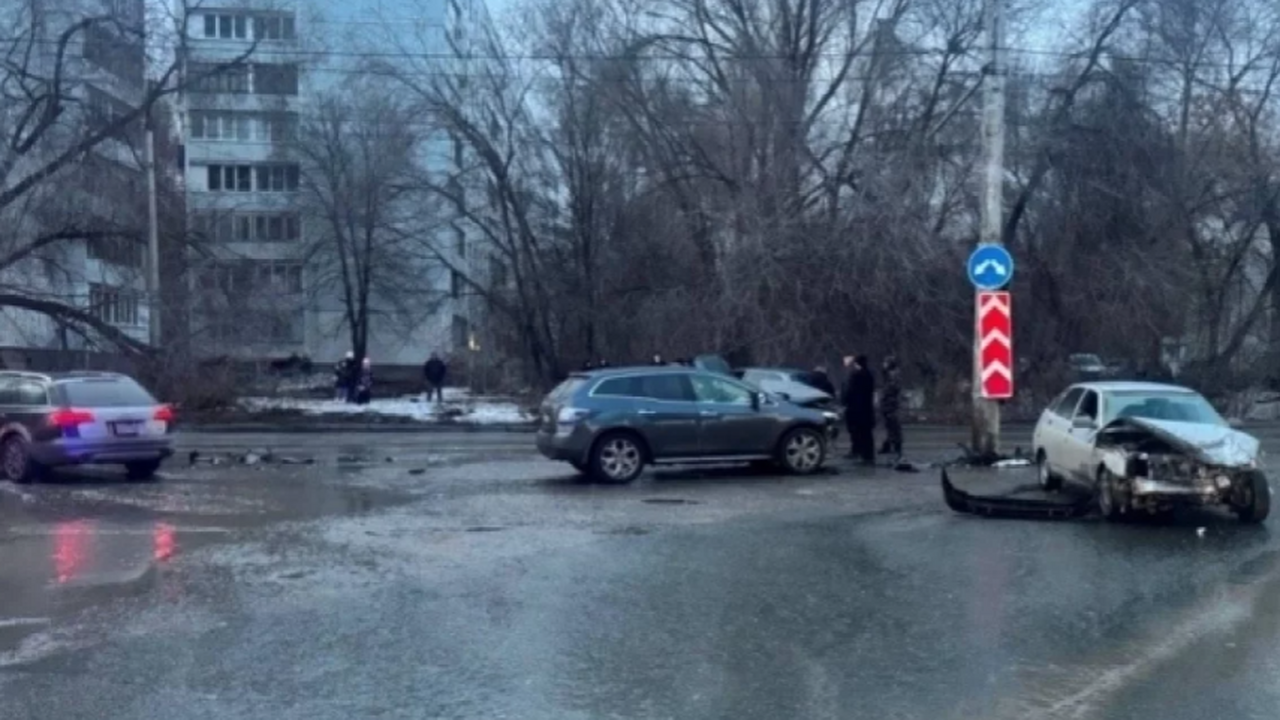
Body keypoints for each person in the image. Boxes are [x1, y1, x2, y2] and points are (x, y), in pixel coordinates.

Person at [841, 354, 876, 465]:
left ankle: (864, 455)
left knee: (859, 432)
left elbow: (850, 392)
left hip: (856, 409)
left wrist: (845, 401)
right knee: (866, 433)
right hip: (866, 408)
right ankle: (867, 455)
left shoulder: (856, 376)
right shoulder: (869, 375)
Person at [878, 355, 903, 458]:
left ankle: (896, 446)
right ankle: (889, 445)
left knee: (893, 425)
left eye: (886, 363)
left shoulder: (893, 375)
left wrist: (885, 396)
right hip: (888, 403)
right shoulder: (890, 375)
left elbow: (892, 388)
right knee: (890, 426)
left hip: (890, 404)